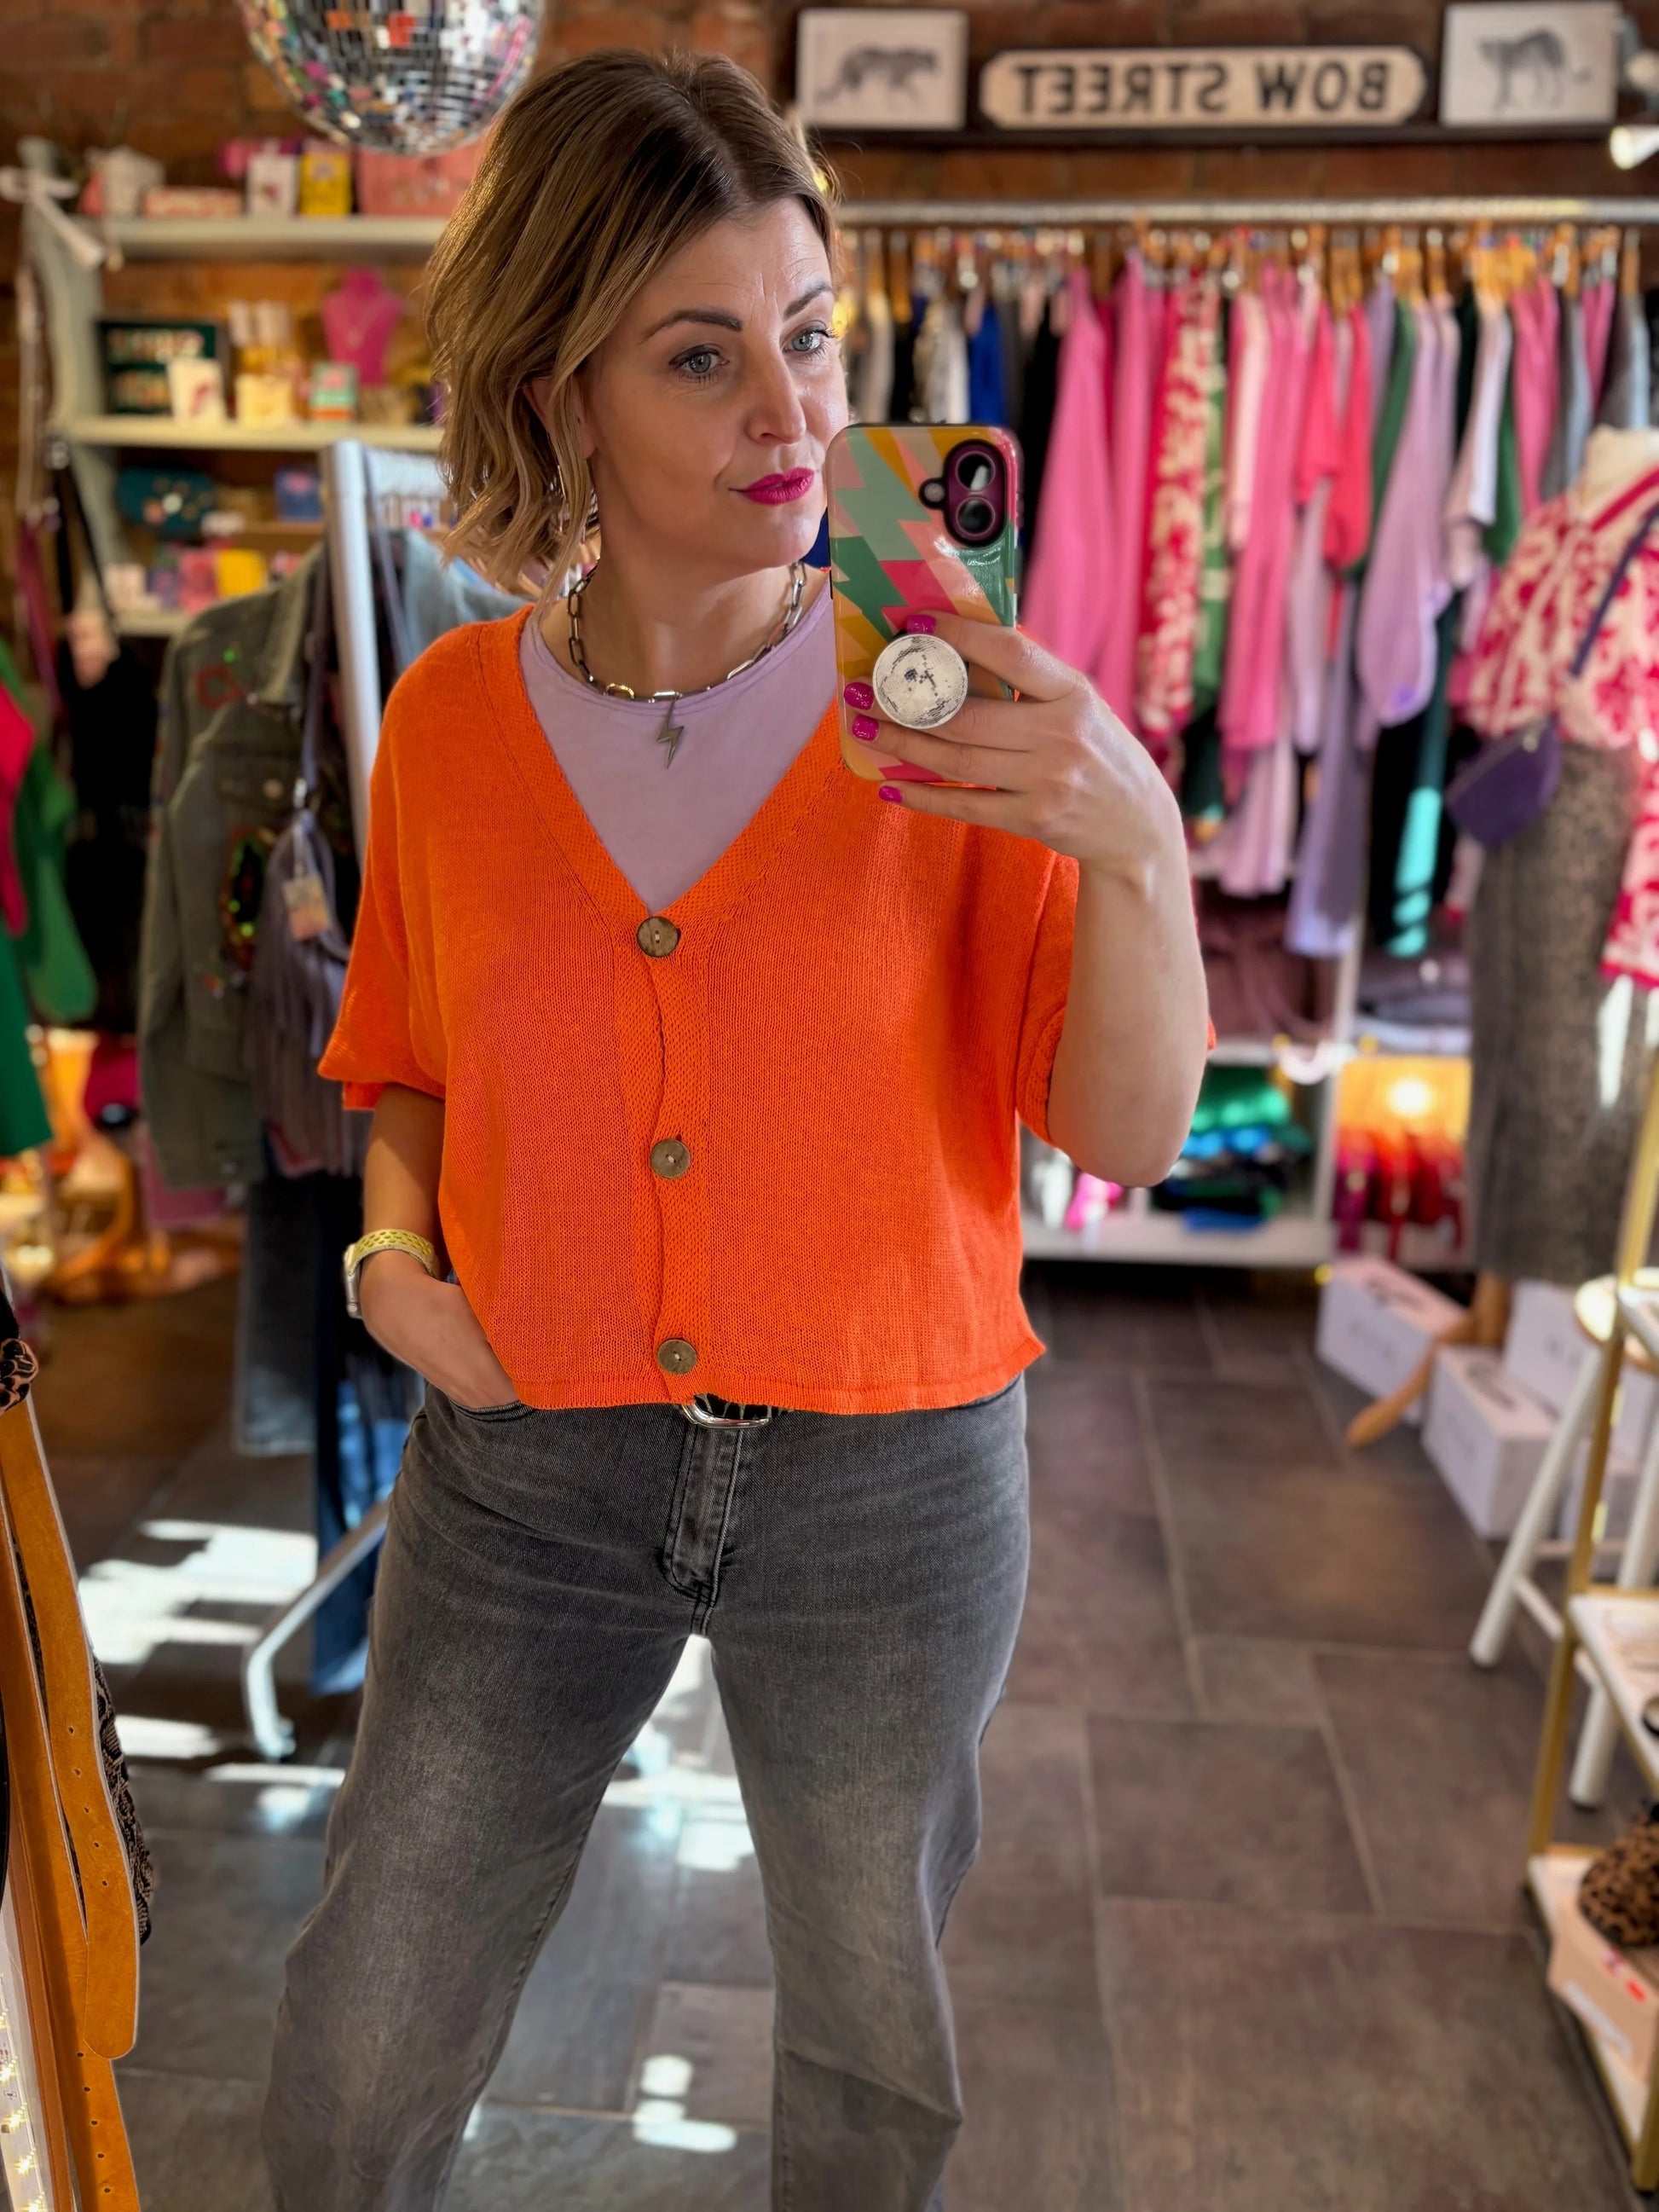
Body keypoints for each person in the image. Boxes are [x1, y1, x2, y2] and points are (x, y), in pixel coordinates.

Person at [263, 48, 1209, 2212]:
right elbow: (403, 1052)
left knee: (877, 2044)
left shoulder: (954, 701)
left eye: (806, 336)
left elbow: (1126, 1131)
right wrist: (390, 1272)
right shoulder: (456, 718)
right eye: (702, 357)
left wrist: (1135, 843)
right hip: (530, 1462)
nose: (790, 419)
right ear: (557, 388)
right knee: (362, 2030)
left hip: (891, 1474)